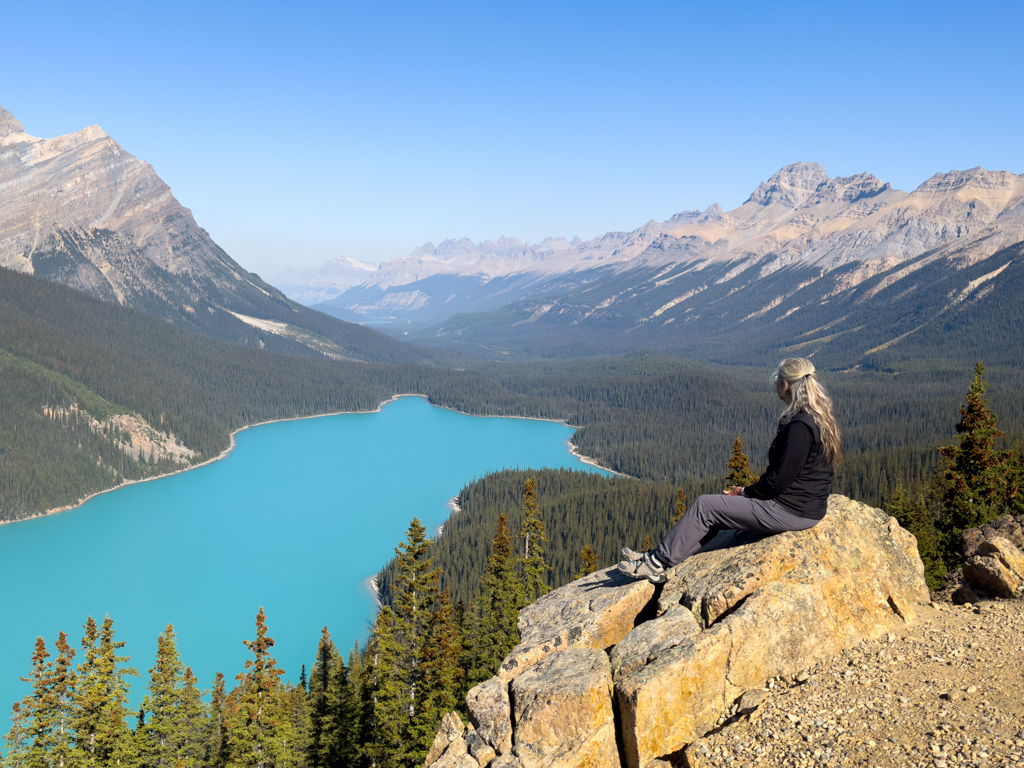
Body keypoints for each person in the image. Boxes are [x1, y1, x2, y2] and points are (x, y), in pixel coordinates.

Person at [618, 357, 843, 584]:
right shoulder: (818, 418)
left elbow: (777, 482)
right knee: (716, 512)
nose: (776, 384)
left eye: (777, 380)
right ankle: (662, 557)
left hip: (791, 510)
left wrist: (744, 493)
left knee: (705, 506)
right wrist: (747, 493)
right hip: (802, 507)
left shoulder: (799, 428)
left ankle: (655, 564)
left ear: (785, 385)